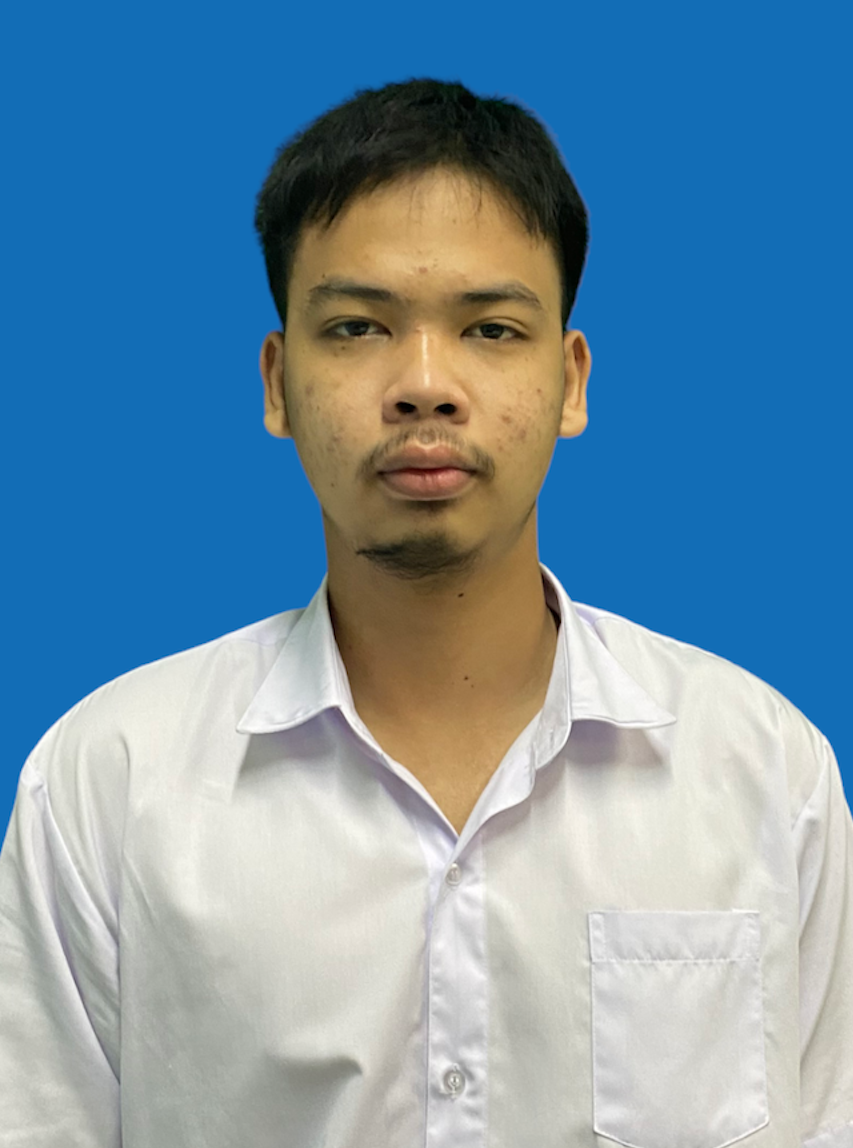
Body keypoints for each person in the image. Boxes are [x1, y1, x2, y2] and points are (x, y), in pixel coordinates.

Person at [1, 77, 851, 1147]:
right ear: (276, 382)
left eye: (490, 328)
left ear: (570, 380)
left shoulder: (762, 772)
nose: (424, 384)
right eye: (357, 326)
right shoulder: (110, 783)